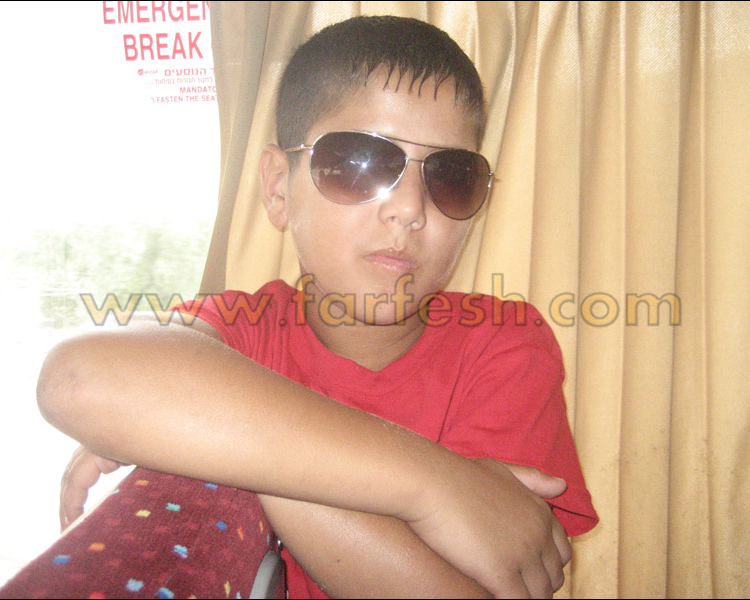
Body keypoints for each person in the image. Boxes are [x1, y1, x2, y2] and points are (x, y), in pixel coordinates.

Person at [38, 16, 598, 599]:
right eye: (360, 162)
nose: (410, 209)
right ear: (279, 186)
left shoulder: (504, 344)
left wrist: (219, 445)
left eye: (452, 176)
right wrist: (437, 485)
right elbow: (79, 379)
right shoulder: (241, 332)